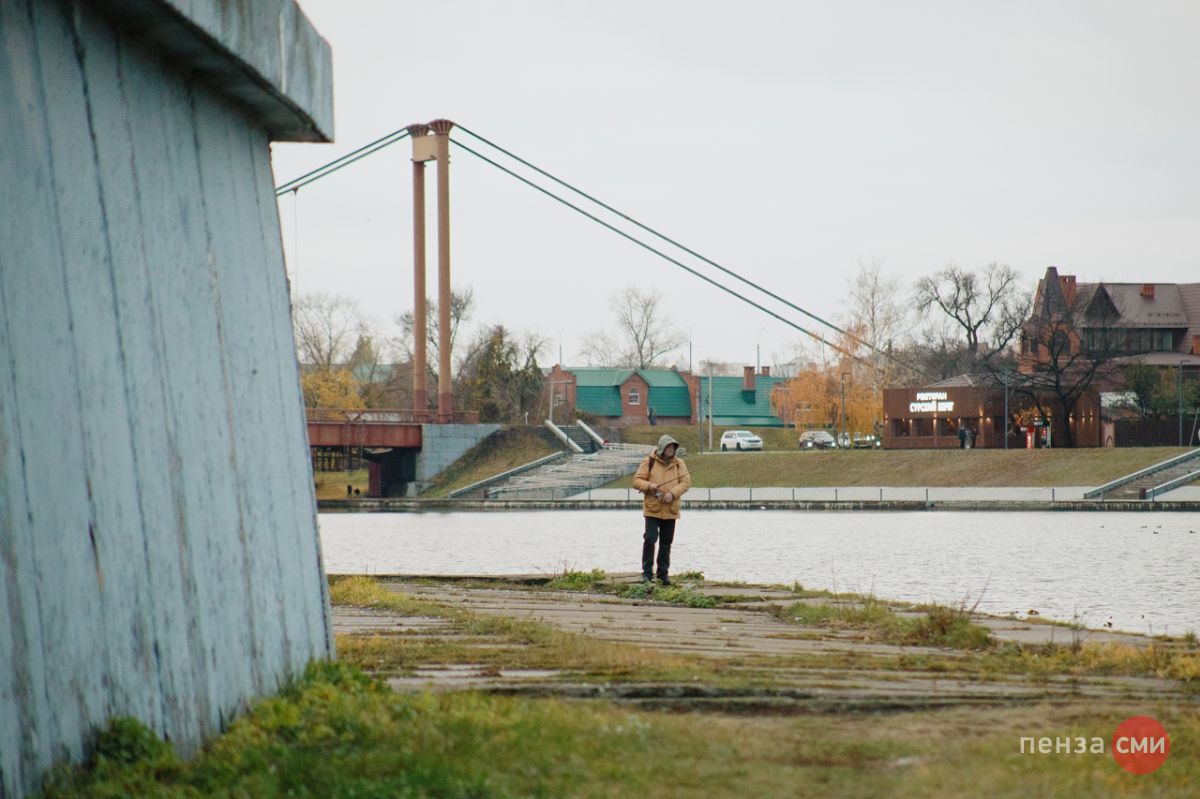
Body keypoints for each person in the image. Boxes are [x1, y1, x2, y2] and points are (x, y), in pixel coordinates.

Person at [632, 434, 691, 585]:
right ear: (661, 448)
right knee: (650, 539)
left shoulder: (679, 464)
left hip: (671, 510)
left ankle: (663, 575)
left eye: (673, 447)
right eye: (668, 446)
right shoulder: (649, 461)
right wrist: (649, 486)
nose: (671, 449)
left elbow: (685, 483)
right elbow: (637, 481)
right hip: (652, 509)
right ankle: (647, 574)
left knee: (666, 543)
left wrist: (672, 493)